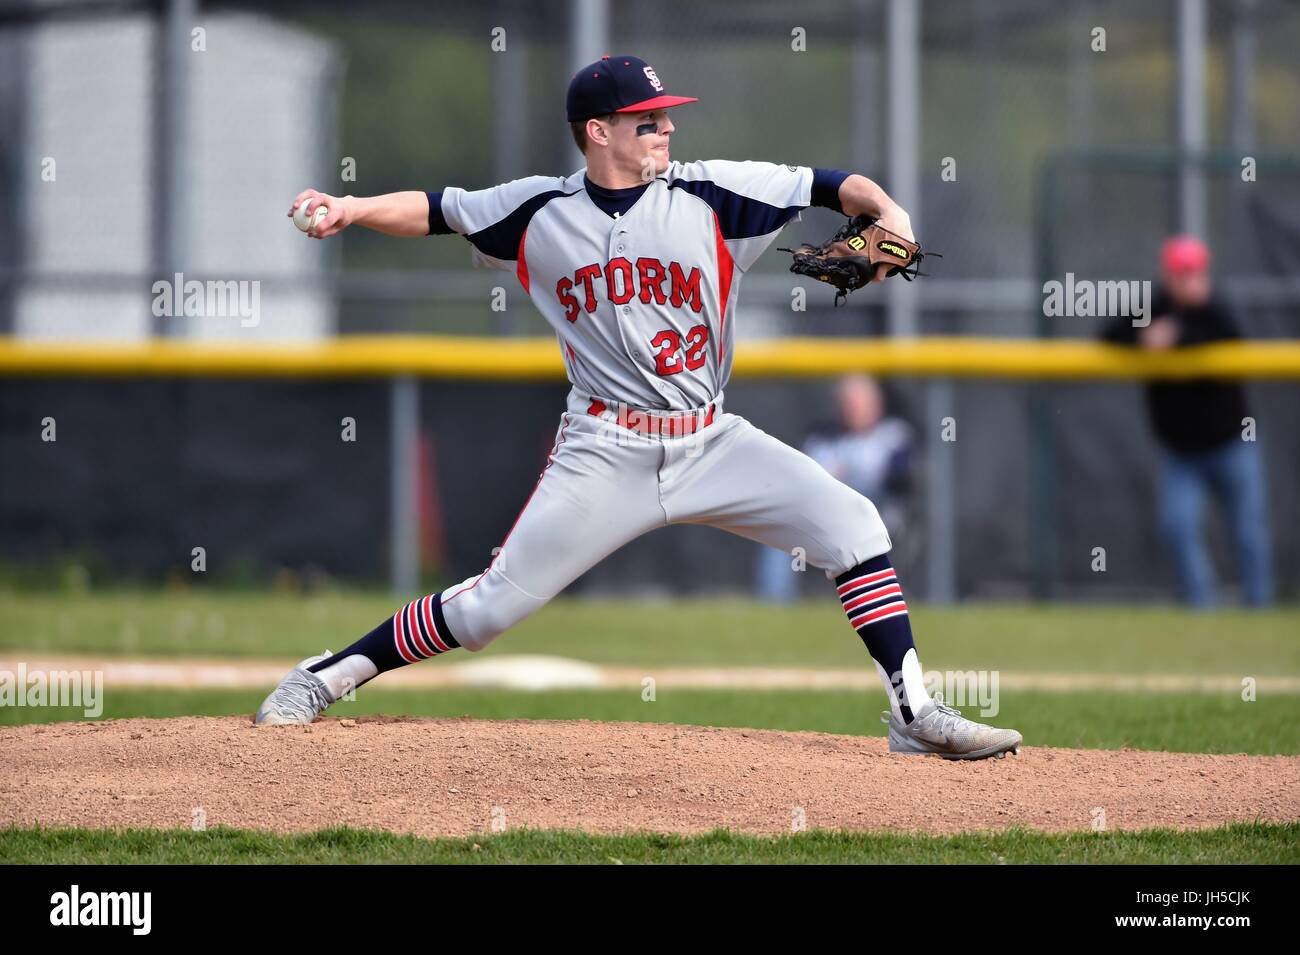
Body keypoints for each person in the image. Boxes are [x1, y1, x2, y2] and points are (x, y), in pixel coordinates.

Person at [257, 55, 1021, 759]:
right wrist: (351, 208)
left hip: (711, 440)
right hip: (604, 449)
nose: (667, 128)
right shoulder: (535, 211)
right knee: (488, 613)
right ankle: (322, 676)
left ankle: (913, 714)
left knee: (854, 524)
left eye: (666, 116)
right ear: (598, 132)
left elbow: (831, 186)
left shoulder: (711, 193)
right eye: (647, 119)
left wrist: (891, 213)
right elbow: (436, 209)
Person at [1103, 235, 1272, 608]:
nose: (1190, 280)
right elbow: (1108, 334)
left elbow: (1228, 337)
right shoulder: (1153, 307)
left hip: (1232, 442)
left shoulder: (1216, 310)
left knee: (1248, 530)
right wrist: (1143, 338)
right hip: (1181, 452)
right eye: (1182, 273)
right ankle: (1201, 606)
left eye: (1196, 272)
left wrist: (1178, 338)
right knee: (1177, 526)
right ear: (1169, 276)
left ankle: (1259, 607)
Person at [755, 375, 912, 601]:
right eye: (848, 403)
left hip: (875, 513)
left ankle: (884, 601)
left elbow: (901, 480)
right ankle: (774, 604)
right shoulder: (823, 438)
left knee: (860, 489)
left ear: (876, 404)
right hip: (824, 513)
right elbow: (800, 480)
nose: (854, 408)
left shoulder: (892, 435)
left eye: (860, 402)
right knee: (779, 529)